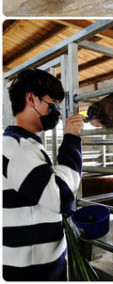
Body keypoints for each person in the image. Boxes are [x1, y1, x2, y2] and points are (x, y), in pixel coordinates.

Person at [3, 69, 84, 281]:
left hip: (37, 261)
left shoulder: (26, 145)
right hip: (31, 269)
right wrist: (71, 140)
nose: (57, 110)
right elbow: (62, 197)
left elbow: (40, 194)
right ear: (30, 98)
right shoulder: (16, 149)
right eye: (53, 103)